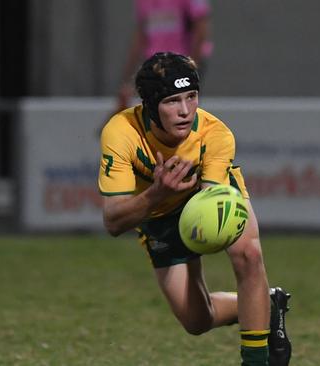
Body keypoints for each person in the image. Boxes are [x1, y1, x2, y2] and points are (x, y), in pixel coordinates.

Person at [98, 52, 291, 366]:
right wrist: (156, 194)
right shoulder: (122, 133)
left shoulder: (216, 135)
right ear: (149, 105)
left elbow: (212, 204)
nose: (185, 111)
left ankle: (256, 360)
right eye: (172, 101)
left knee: (249, 255)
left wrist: (214, 233)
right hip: (156, 213)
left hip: (201, 196)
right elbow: (113, 221)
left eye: (192, 97)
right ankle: (267, 303)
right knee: (197, 321)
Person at [116, 0, 213, 111]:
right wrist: (127, 78)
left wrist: (191, 66)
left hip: (181, 62)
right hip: (155, 64)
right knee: (156, 110)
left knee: (180, 110)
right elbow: (140, 35)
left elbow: (201, 28)